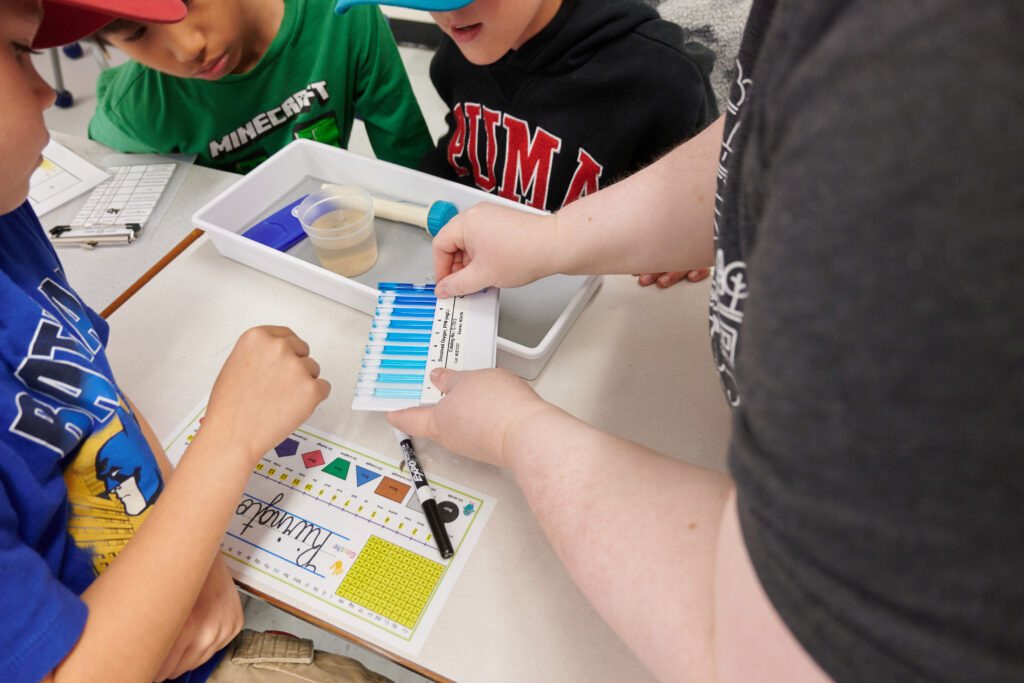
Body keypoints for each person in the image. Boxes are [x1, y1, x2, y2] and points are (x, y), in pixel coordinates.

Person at [387, 1, 1024, 682]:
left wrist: (514, 429)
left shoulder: (947, 72)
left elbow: (778, 647)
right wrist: (550, 239)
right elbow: (759, 128)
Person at [3, 2, 390, 681]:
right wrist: (228, 438)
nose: (45, 89)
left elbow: (93, 386)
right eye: (14, 53)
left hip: (185, 592)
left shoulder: (9, 215)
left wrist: (194, 542)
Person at [340, 0, 717, 288]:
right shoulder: (466, 37)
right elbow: (463, 145)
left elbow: (706, 207)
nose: (448, 16)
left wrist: (687, 241)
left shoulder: (663, 78)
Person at [87, 0, 432, 174]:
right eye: (136, 33)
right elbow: (93, 158)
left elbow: (410, 156)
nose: (188, 47)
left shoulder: (340, 13)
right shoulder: (134, 107)